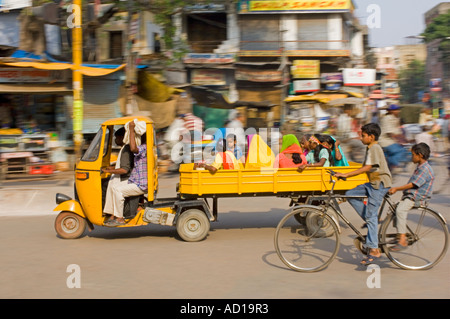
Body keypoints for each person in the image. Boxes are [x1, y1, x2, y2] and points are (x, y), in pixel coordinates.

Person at [335, 123, 392, 265]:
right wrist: (345, 175)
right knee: (351, 193)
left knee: (371, 217)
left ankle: (374, 250)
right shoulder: (370, 148)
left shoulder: (375, 148)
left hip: (379, 185)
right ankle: (370, 219)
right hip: (372, 184)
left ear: (371, 137)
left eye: (363, 135)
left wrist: (346, 175)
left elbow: (366, 168)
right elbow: (363, 168)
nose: (361, 138)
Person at [388, 143, 434, 251]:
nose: (411, 157)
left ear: (420, 155)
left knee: (400, 210)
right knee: (395, 208)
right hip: (412, 196)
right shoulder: (420, 166)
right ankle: (400, 234)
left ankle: (402, 240)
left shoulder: (425, 169)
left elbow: (414, 184)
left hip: (418, 198)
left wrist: (396, 188)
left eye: (413, 154)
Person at [104, 120, 148, 226]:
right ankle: (113, 215)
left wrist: (131, 130)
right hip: (136, 181)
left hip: (140, 184)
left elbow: (133, 149)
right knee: (113, 187)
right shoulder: (143, 147)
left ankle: (119, 218)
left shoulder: (144, 147)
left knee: (118, 190)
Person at [102, 127, 134, 224]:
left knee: (105, 184)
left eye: (116, 137)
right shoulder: (124, 148)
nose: (115, 140)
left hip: (125, 178)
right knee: (107, 182)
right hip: (125, 177)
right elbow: (121, 165)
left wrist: (108, 171)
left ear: (122, 137)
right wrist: (109, 168)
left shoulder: (126, 149)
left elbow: (124, 169)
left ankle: (112, 214)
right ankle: (111, 213)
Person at [379, 104, 407, 170]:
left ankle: (388, 167)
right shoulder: (387, 118)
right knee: (400, 151)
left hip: (391, 141)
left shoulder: (396, 118)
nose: (398, 111)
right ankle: (392, 166)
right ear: (391, 111)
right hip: (386, 141)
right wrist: (398, 140)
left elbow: (398, 131)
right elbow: (389, 132)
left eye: (398, 109)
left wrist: (405, 139)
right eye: (396, 110)